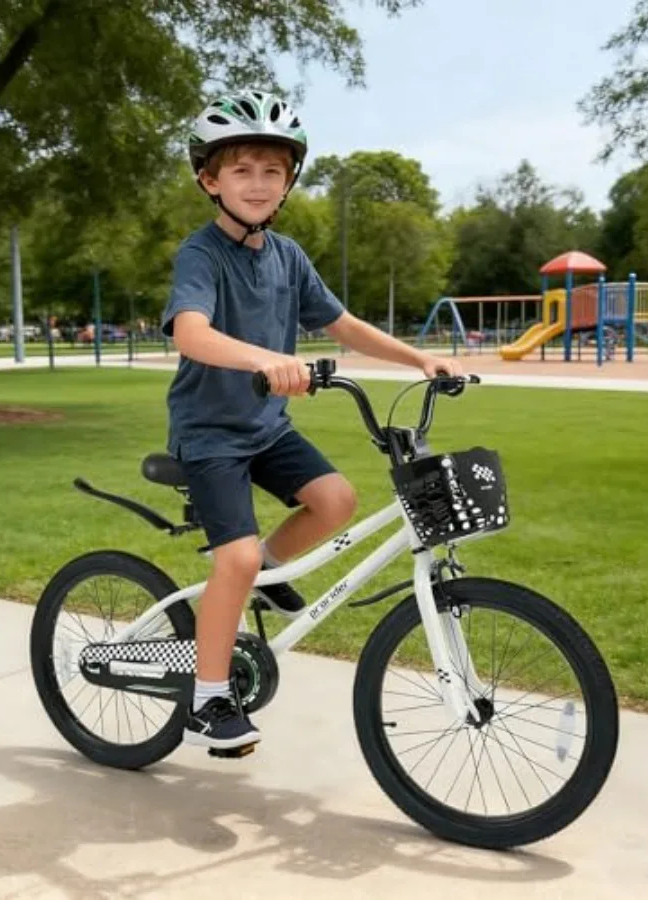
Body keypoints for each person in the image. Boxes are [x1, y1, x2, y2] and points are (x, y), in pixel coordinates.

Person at [161, 89, 466, 752]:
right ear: (210, 180)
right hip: (210, 433)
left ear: (289, 181)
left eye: (272, 171)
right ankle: (208, 698)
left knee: (336, 500)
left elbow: (341, 323)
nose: (258, 183)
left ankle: (269, 574)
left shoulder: (288, 255)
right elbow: (191, 332)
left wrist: (418, 358)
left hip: (266, 427)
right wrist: (268, 359)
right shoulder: (201, 254)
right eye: (242, 170)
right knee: (235, 558)